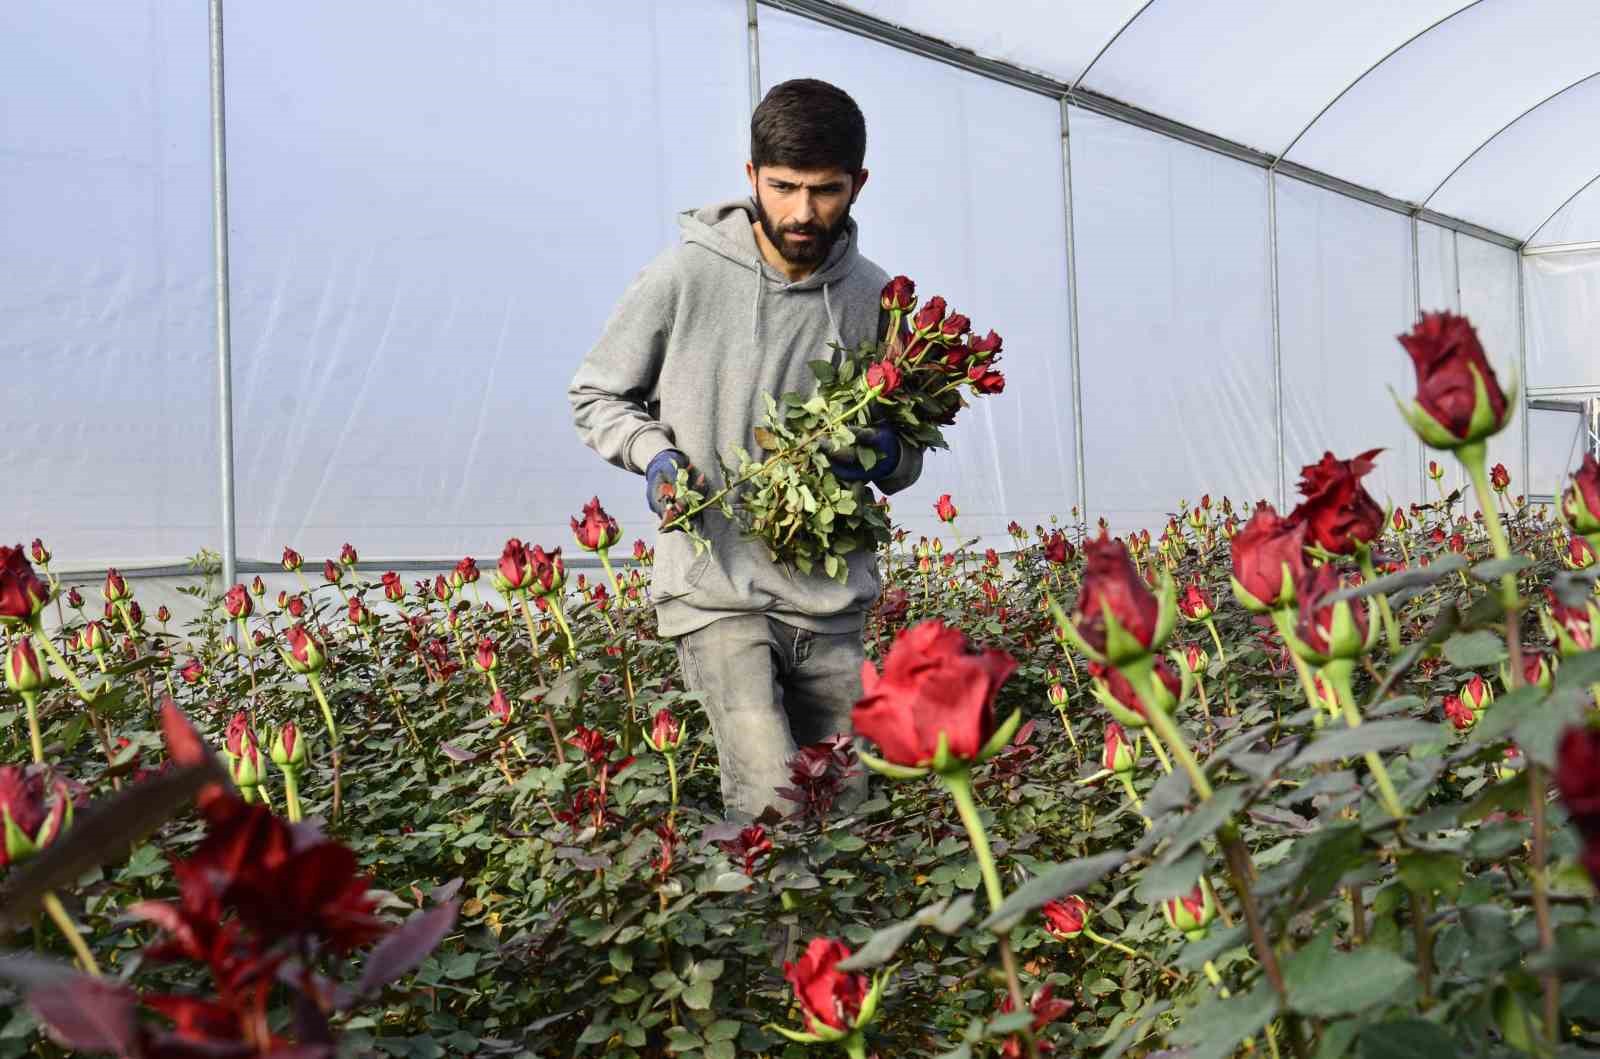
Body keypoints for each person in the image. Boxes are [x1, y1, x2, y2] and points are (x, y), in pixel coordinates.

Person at [568, 78, 923, 820]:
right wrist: (653, 454)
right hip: (717, 587)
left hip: (829, 601)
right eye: (784, 187)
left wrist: (885, 454)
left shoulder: (876, 298)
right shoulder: (684, 275)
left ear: (858, 184)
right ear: (751, 175)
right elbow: (597, 394)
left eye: (825, 190)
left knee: (849, 808)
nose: (802, 212)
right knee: (773, 801)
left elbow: (909, 453)